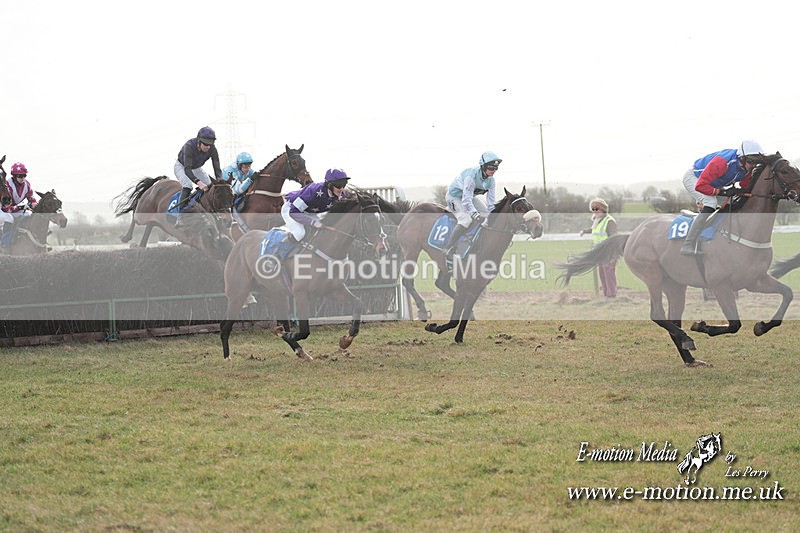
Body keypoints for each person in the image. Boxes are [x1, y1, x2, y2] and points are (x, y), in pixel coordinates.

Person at [680, 139, 763, 255]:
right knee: (711, 202)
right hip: (695, 179)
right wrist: (724, 193)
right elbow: (701, 186)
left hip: (713, 184)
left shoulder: (746, 167)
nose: (753, 165)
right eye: (751, 161)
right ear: (742, 158)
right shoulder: (722, 162)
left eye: (756, 162)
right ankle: (688, 244)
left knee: (734, 203)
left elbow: (745, 184)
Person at [443, 151, 500, 261]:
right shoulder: (471, 176)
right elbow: (466, 200)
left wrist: (493, 216)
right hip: (454, 197)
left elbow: (491, 203)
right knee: (466, 220)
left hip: (469, 197)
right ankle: (449, 248)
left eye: (495, 169)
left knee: (488, 216)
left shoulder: (491, 181)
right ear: (483, 166)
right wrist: (476, 215)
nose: (493, 171)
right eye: (491, 168)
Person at [281, 168, 350, 242]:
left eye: (344, 184)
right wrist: (313, 223)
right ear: (329, 184)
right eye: (339, 185)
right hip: (291, 208)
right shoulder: (313, 191)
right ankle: (279, 245)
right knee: (299, 234)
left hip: (309, 212)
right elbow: (293, 212)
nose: (342, 189)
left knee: (322, 230)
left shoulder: (340, 196)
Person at [174, 126, 223, 226]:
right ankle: (180, 217)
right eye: (205, 144)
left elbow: (217, 167)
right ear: (199, 141)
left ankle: (206, 210)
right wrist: (198, 182)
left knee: (210, 186)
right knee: (188, 185)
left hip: (197, 168)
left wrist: (220, 181)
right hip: (182, 166)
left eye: (210, 144)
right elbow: (187, 169)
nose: (208, 147)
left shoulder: (212, 149)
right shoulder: (189, 146)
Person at [580, 198, 618, 298]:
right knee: (602, 274)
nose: (595, 211)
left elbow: (613, 238)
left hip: (608, 253)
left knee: (609, 274)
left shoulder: (609, 221)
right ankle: (606, 295)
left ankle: (612, 295)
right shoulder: (598, 221)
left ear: (603, 209)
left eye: (597, 209)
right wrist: (584, 231)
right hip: (600, 253)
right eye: (593, 209)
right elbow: (593, 230)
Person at [2, 162, 38, 231]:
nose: (23, 178)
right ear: (14, 176)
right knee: (9, 219)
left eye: (24, 175)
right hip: (3, 210)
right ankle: (4, 241)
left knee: (29, 214)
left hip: (12, 209)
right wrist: (21, 207)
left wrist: (33, 204)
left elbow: (32, 199)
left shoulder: (27, 185)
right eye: (20, 176)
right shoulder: (7, 186)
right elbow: (6, 209)